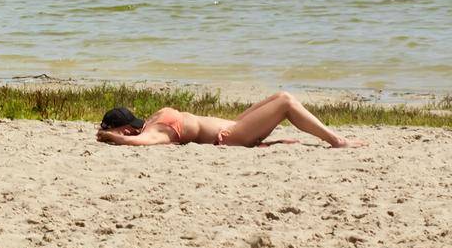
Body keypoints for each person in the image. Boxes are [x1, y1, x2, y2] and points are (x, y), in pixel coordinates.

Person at [97, 93, 364, 148]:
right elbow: (144, 142)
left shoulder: (153, 121)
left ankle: (265, 142)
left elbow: (142, 136)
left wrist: (112, 135)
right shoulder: (157, 129)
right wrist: (113, 138)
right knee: (286, 103)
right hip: (230, 136)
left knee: (281, 96)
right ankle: (337, 141)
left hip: (233, 126)